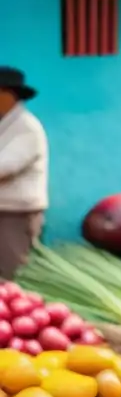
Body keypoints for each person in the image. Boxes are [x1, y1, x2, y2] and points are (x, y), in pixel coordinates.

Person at [0, 68, 47, 280]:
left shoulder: (27, 127)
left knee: (13, 272)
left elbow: (5, 167)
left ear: (8, 95)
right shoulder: (4, 124)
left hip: (16, 214)